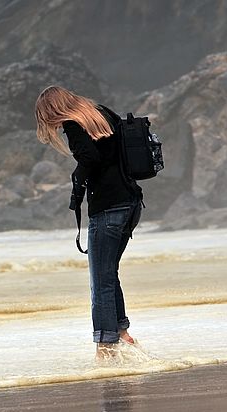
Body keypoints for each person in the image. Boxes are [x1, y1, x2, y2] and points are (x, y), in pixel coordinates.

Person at [34, 85, 143, 362]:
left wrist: (77, 179)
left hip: (107, 209)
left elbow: (89, 158)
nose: (51, 125)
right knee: (110, 274)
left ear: (53, 110)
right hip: (130, 203)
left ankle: (105, 348)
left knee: (101, 281)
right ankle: (121, 331)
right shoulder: (101, 114)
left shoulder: (74, 124)